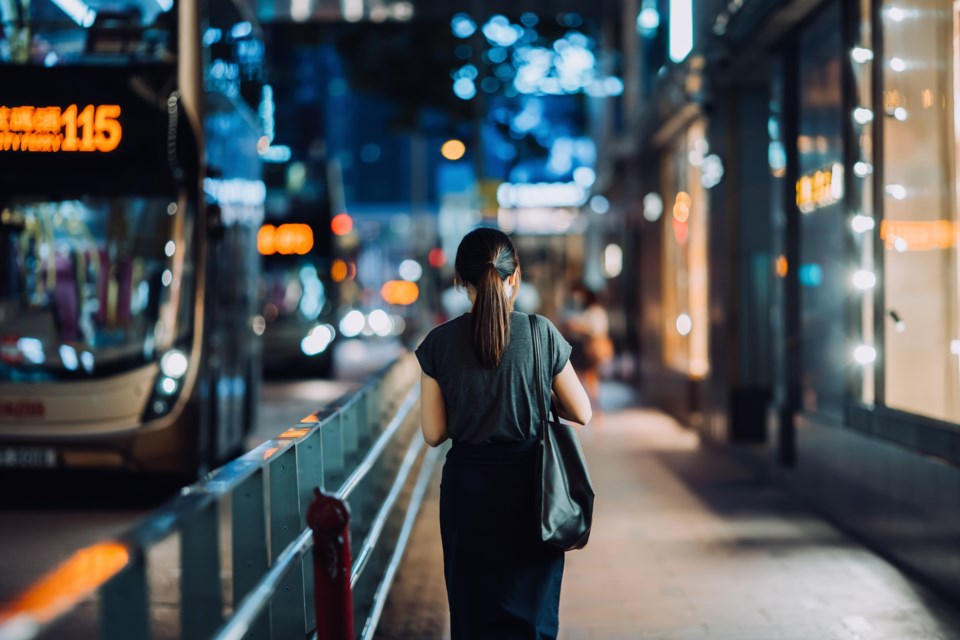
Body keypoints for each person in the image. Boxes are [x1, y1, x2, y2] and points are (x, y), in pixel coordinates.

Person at [415, 227, 592, 640]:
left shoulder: (438, 344)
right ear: (515, 277)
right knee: (533, 616)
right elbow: (581, 411)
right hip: (532, 490)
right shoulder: (539, 332)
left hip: (468, 491)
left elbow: (433, 432)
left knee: (474, 613)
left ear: (460, 282)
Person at [566, 285, 612, 408]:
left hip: (589, 351)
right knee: (589, 379)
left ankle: (588, 407)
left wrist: (578, 327)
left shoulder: (594, 311)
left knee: (587, 378)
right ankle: (592, 408)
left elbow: (594, 329)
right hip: (588, 350)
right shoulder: (596, 311)